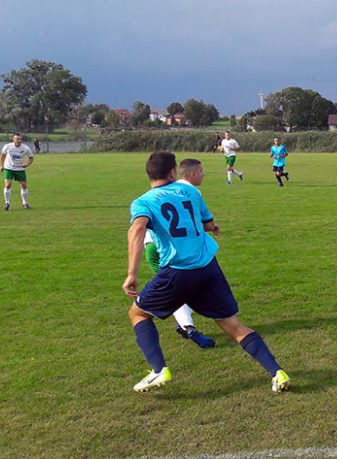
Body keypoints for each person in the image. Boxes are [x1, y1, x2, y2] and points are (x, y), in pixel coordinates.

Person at [123, 151, 290, 393]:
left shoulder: (143, 202)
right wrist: (212, 227)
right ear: (172, 172)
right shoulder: (189, 191)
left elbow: (138, 229)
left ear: (149, 173)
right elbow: (207, 222)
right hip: (209, 268)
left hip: (178, 272)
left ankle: (159, 370)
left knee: (138, 314)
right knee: (234, 326)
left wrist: (132, 273)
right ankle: (277, 372)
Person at [142, 159, 215, 349]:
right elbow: (196, 224)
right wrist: (212, 227)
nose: (204, 175)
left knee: (180, 287)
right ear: (192, 174)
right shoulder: (191, 191)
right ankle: (188, 328)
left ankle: (184, 325)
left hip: (151, 245)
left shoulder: (163, 189)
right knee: (179, 289)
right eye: (201, 171)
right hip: (172, 248)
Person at [0, 133, 35, 210]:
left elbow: (31, 157)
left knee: (24, 185)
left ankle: (25, 203)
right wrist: (2, 165)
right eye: (17, 139)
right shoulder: (8, 146)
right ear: (13, 139)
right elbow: (3, 156)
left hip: (20, 169)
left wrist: (27, 164)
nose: (19, 141)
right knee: (8, 185)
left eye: (20, 139)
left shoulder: (25, 148)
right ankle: (7, 203)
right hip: (9, 168)